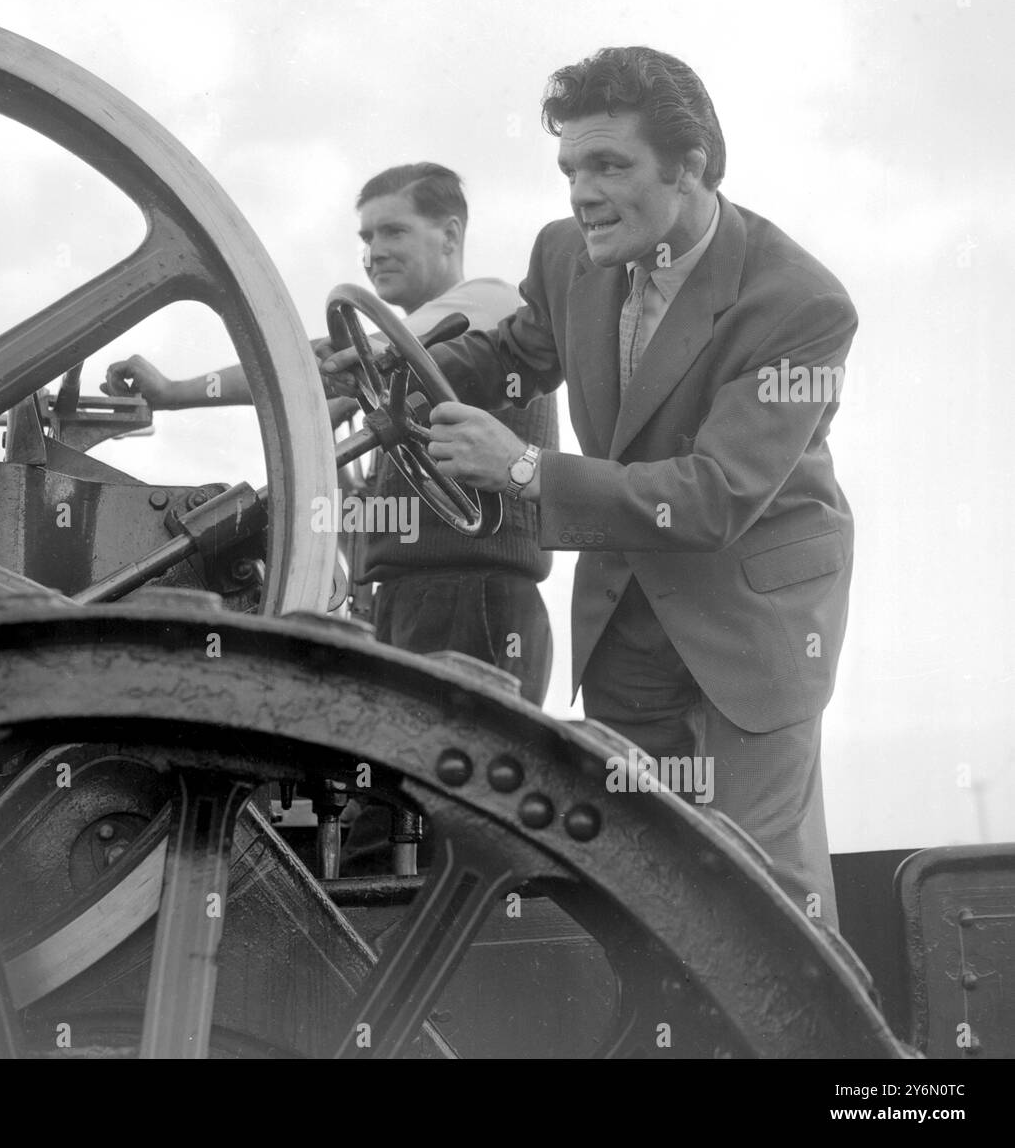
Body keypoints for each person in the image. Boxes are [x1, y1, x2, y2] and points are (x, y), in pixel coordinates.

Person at [325, 49, 854, 928]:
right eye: (571, 167)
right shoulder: (570, 255)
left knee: (767, 902)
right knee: (638, 872)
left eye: (611, 165)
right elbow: (510, 353)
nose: (581, 191)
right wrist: (389, 378)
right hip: (628, 607)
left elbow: (714, 495)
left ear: (689, 168)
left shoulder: (799, 303)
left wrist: (523, 470)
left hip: (751, 618)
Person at [104, 163, 556, 707]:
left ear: (452, 234)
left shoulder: (490, 302)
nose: (374, 252)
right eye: (367, 237)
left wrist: (178, 390)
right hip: (409, 598)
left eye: (394, 231)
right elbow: (321, 384)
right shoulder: (396, 369)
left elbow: (322, 363)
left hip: (470, 598)